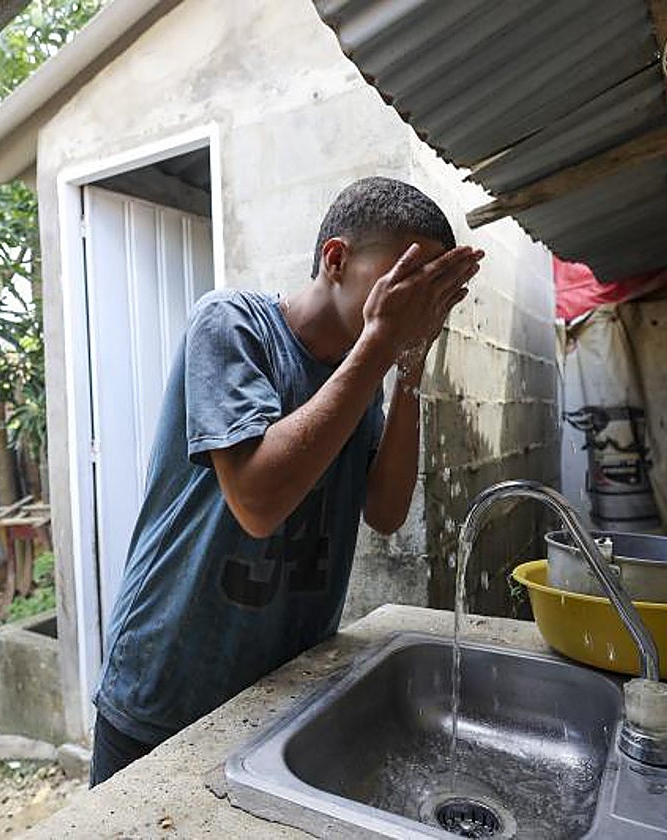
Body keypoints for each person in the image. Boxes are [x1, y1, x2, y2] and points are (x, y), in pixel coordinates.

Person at [89, 176, 484, 786]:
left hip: (273, 697)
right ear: (336, 259)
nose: (417, 302)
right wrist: (380, 344)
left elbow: (384, 509)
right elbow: (257, 500)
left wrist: (408, 368)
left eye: (432, 289)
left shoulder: (359, 374)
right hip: (165, 687)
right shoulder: (231, 323)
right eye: (408, 280)